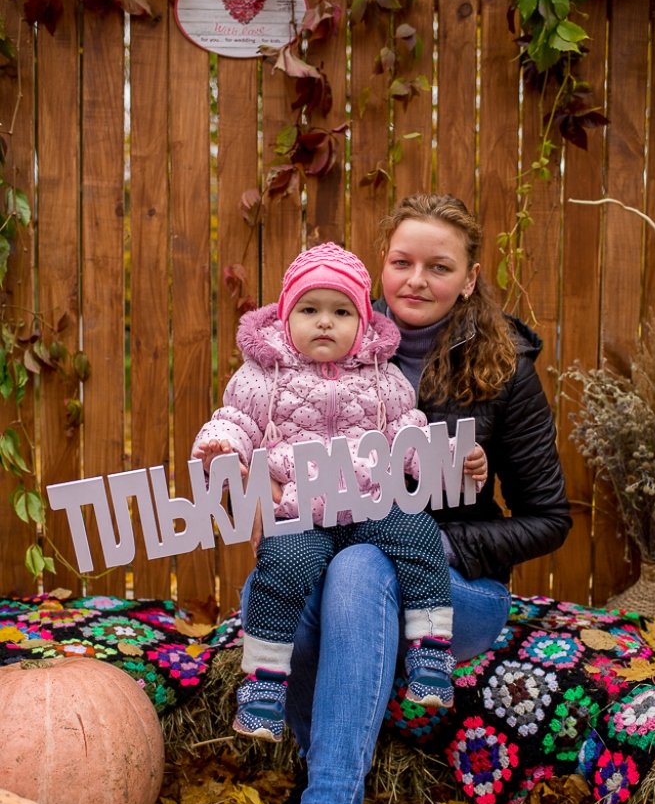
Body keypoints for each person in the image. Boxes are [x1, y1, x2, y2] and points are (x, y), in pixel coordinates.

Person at [247, 194, 572, 804]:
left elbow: (550, 518)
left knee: (364, 565)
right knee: (295, 575)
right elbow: (266, 452)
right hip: (344, 574)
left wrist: (435, 539)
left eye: (439, 266)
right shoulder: (330, 343)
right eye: (402, 262)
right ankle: (324, 780)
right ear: (379, 267)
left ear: (470, 278)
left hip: (456, 590)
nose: (416, 280)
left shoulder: (505, 370)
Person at [192, 242, 488, 744]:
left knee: (419, 534)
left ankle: (430, 652)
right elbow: (235, 420)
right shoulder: (262, 376)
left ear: (363, 321)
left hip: (370, 504)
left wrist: (449, 461)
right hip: (298, 509)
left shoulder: (382, 377)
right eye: (309, 310)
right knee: (280, 570)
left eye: (341, 312)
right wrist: (221, 447)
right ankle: (264, 687)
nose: (325, 322)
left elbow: (408, 433)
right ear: (286, 317)